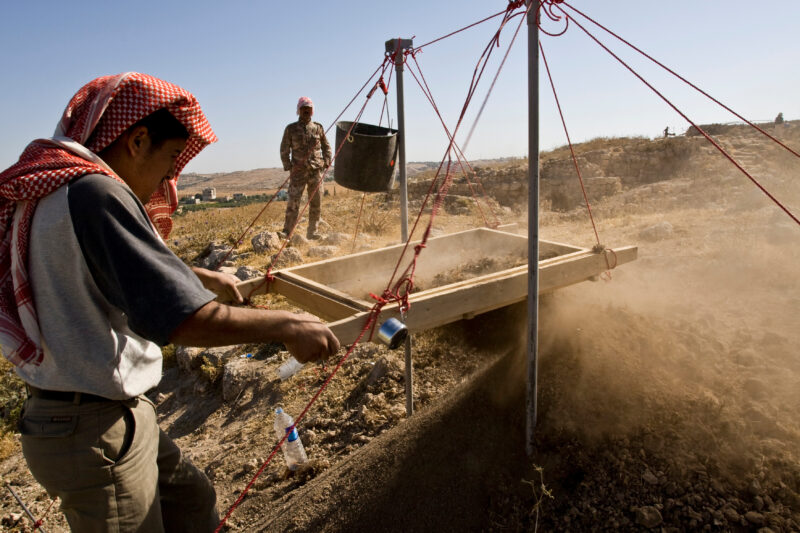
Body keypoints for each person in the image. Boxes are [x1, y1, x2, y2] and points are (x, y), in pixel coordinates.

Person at [0, 73, 340, 532]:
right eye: (168, 160)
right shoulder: (96, 192)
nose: (168, 177)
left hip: (99, 412)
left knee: (192, 503)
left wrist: (195, 275)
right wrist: (286, 326)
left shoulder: (62, 190)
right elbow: (180, 320)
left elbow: (100, 267)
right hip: (92, 426)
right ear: (137, 140)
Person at [279, 96, 332, 240]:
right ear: (298, 110)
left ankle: (312, 232)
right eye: (303, 109)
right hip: (298, 172)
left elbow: (327, 147)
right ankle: (287, 232)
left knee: (316, 202)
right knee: (293, 202)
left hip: (315, 171)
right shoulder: (290, 129)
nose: (306, 111)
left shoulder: (318, 128)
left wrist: (326, 162)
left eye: (309, 109)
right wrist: (289, 166)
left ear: (312, 111)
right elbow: (284, 149)